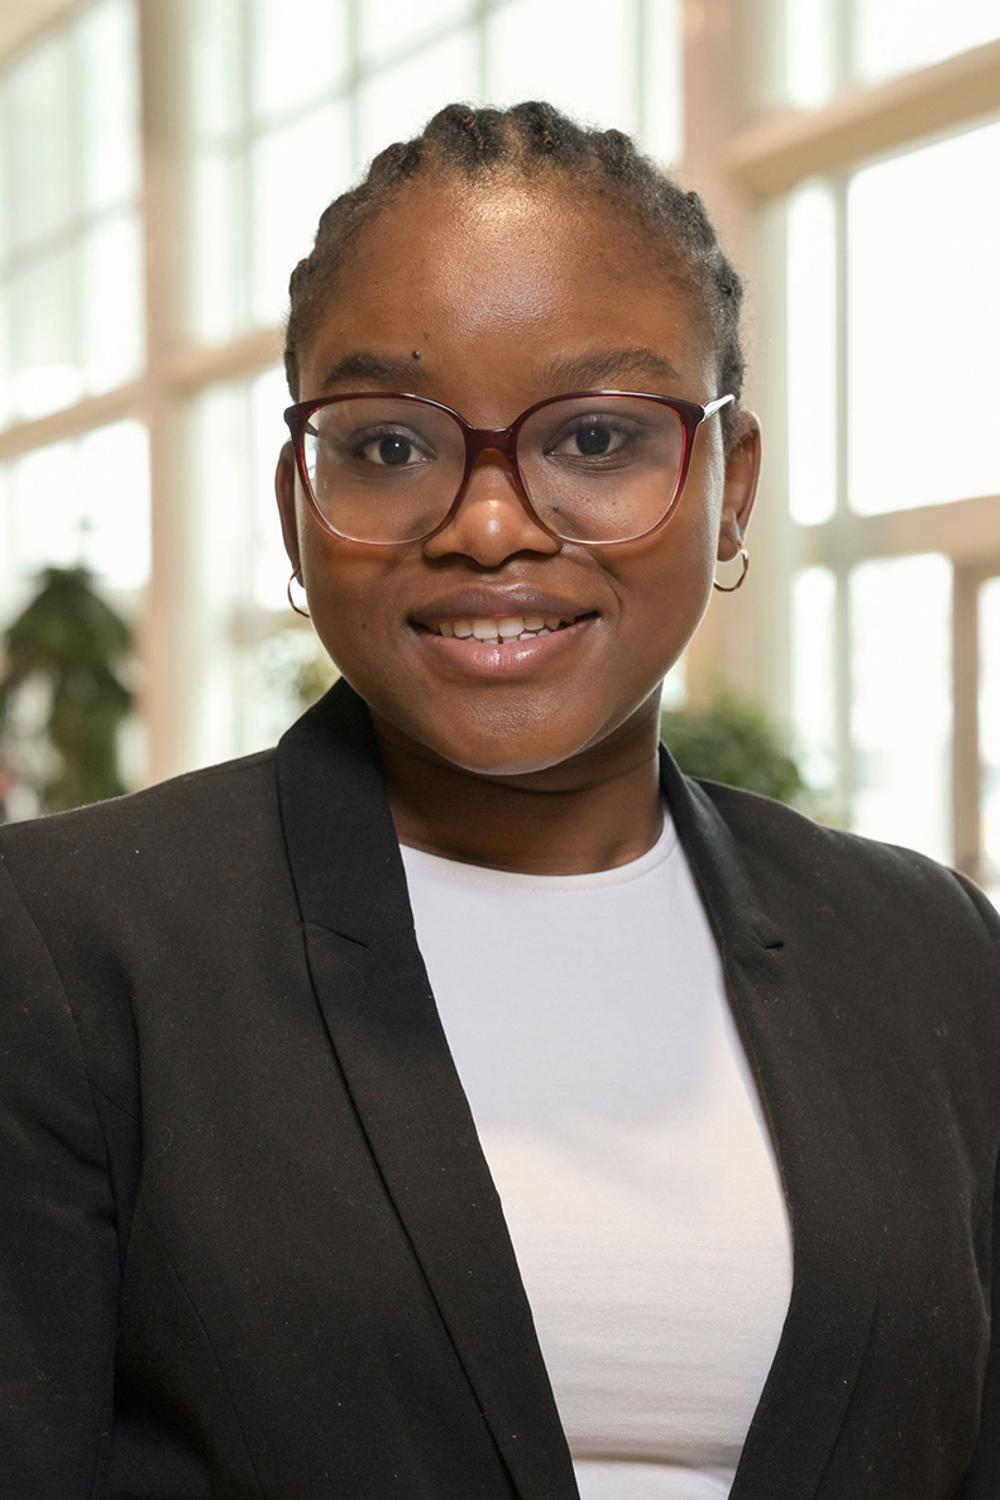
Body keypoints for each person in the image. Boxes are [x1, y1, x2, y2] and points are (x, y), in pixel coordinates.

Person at [1, 100, 998, 1500]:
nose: (487, 524)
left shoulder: (932, 954)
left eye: (595, 437)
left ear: (728, 491)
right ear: (299, 500)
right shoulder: (68, 946)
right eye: (392, 445)